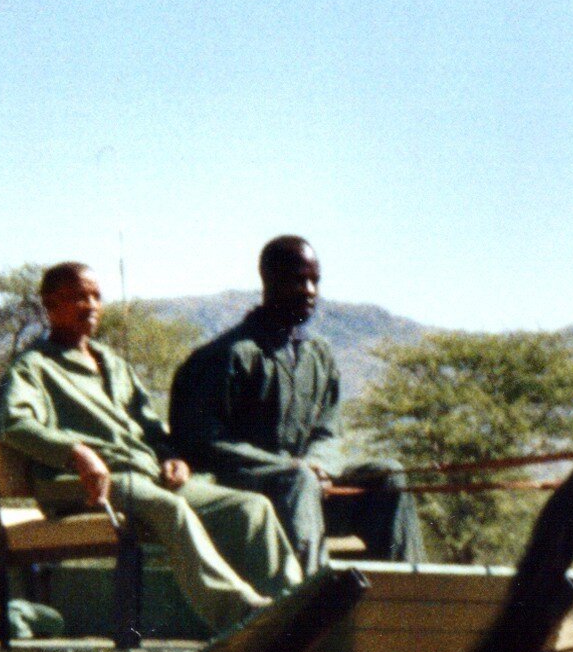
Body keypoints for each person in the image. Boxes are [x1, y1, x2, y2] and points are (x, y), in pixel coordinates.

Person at [0, 262, 301, 630]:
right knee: (170, 509)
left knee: (250, 508)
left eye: (96, 296)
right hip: (83, 482)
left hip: (144, 476)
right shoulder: (34, 366)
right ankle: (243, 613)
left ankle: (294, 607)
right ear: (50, 305)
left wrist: (171, 456)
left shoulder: (114, 364)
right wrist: (76, 452)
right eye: (78, 297)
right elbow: (13, 422)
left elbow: (150, 427)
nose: (90, 305)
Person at [171, 235, 425, 570]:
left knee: (388, 476)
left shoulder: (318, 355)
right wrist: (290, 469)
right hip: (245, 494)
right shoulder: (226, 356)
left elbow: (328, 431)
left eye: (314, 281)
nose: (310, 291)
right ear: (269, 280)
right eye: (298, 280)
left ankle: (405, 598)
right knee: (299, 480)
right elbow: (200, 442)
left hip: (308, 490)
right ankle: (308, 598)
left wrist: (320, 465)